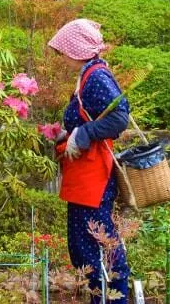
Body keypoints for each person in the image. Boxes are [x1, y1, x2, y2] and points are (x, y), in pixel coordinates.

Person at [49, 19, 130, 303]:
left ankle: (114, 298)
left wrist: (82, 134)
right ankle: (103, 298)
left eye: (64, 50)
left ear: (76, 48)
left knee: (98, 243)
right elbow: (91, 117)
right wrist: (66, 133)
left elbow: (119, 117)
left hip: (94, 176)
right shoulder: (88, 74)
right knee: (85, 246)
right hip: (85, 175)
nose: (61, 56)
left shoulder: (96, 76)